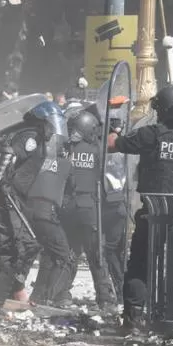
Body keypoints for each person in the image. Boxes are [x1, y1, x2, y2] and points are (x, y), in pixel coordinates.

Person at [108, 85, 173, 335]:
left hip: (154, 211)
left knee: (140, 263)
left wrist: (113, 129)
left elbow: (112, 145)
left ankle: (134, 319)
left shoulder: (152, 134)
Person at [10, 102, 75, 307]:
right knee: (61, 254)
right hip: (38, 209)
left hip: (31, 208)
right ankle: (44, 299)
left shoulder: (43, 153)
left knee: (37, 252)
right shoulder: (31, 143)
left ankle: (31, 294)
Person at [61, 109, 116, 312]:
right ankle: (106, 299)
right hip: (89, 206)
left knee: (70, 252)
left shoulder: (65, 149)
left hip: (67, 206)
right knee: (96, 254)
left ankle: (61, 294)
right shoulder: (96, 150)